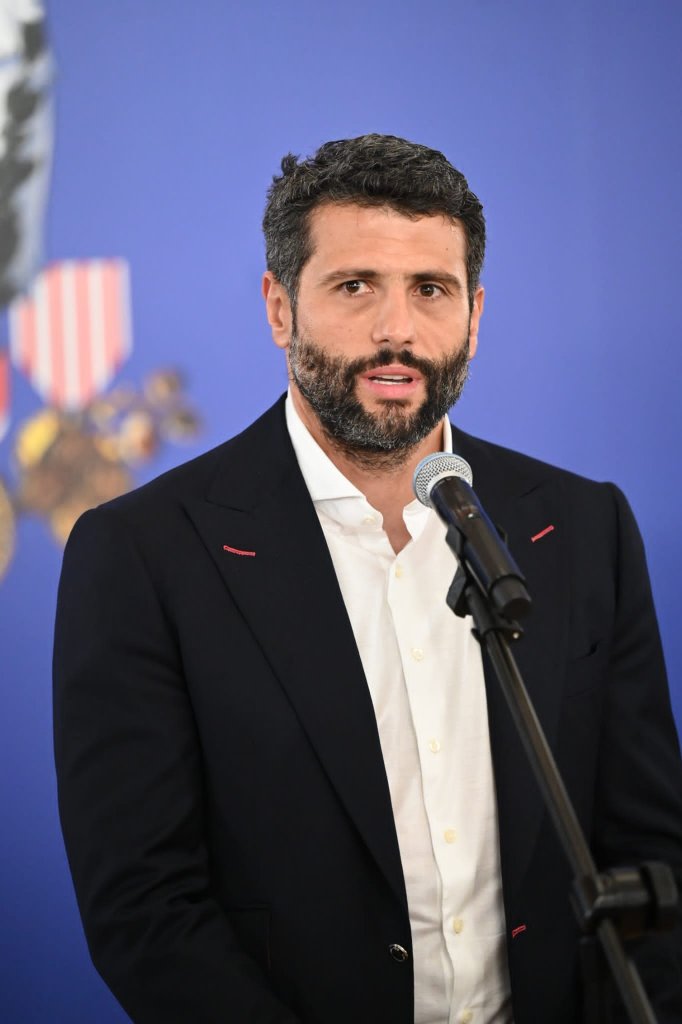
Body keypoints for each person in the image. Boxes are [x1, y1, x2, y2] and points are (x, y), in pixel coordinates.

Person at [53, 134, 682, 1024]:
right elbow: (146, 911)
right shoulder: (144, 552)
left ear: (474, 313)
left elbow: (651, 862)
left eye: (431, 289)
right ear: (280, 308)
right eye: (355, 287)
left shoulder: (583, 528)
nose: (397, 330)